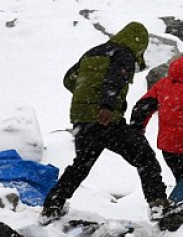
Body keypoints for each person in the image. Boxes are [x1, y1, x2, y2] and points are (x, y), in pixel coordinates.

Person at [41, 22, 167, 221]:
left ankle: (52, 206)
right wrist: (106, 105)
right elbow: (114, 79)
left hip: (82, 119)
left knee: (81, 164)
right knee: (145, 157)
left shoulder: (92, 53)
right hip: (106, 119)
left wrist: (87, 95)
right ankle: (158, 204)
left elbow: (69, 79)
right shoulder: (123, 54)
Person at [129, 48, 183, 184]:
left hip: (168, 148)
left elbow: (141, 107)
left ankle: (182, 201)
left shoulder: (163, 84)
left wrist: (137, 130)